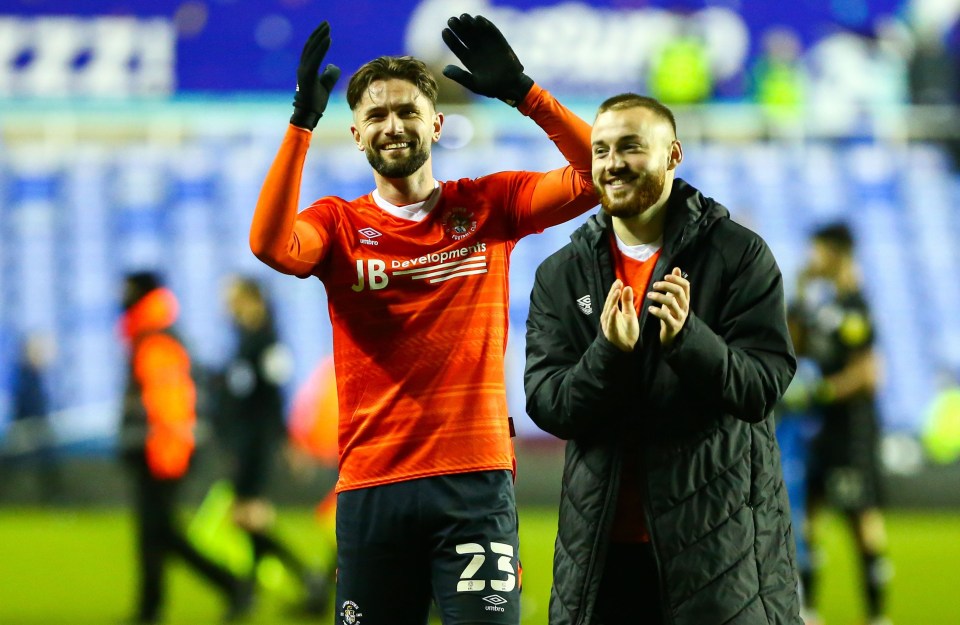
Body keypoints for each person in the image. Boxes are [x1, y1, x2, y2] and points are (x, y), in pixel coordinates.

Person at [249, 13, 596, 625]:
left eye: (407, 111)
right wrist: (301, 124)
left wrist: (526, 94)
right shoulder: (337, 226)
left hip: (473, 482)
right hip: (371, 483)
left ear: (435, 125)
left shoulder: (485, 206)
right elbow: (271, 246)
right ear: (355, 134)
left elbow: (600, 177)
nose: (393, 125)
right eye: (376, 116)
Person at [523, 93, 802, 625]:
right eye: (601, 150)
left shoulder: (739, 255)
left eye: (631, 146)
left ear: (673, 155)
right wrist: (608, 354)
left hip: (718, 553)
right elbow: (549, 404)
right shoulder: (561, 273)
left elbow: (762, 388)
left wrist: (688, 340)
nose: (613, 163)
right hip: (600, 555)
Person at [117, 271, 251, 624]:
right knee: (154, 534)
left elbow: (170, 408)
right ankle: (151, 608)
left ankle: (232, 585)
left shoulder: (156, 340)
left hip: (160, 454)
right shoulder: (153, 335)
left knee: (161, 533)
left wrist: (166, 455)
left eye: (128, 290)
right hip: (156, 452)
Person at [789, 224, 891, 625]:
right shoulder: (819, 305)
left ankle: (877, 615)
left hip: (853, 429)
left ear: (836, 253)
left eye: (817, 252)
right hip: (821, 428)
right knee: (809, 516)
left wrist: (823, 392)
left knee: (861, 516)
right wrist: (798, 294)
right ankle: (808, 610)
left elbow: (869, 374)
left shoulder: (857, 307)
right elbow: (794, 344)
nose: (812, 259)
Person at [217, 274, 331, 614]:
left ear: (253, 299)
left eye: (233, 296)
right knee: (248, 517)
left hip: (255, 441)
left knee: (246, 516)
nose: (227, 304)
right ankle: (252, 593)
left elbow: (273, 398)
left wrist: (285, 442)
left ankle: (301, 577)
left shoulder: (267, 341)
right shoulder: (246, 337)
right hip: (244, 438)